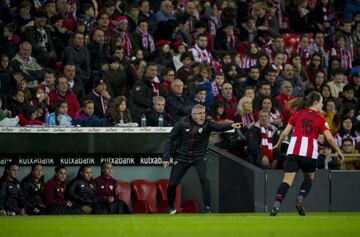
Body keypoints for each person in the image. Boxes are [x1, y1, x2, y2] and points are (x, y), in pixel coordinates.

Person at [269, 91, 344, 216]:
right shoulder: (321, 118)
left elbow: (284, 133)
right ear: (315, 102)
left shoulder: (297, 114)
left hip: (293, 151)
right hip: (309, 153)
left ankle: (276, 206)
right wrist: (338, 151)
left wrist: (277, 144)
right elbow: (330, 139)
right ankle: (300, 200)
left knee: (286, 181)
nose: (322, 105)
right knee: (309, 178)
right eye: (321, 103)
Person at [162, 104, 241, 214]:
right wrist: (166, 157)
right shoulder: (182, 123)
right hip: (182, 157)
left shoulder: (208, 122)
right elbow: (170, 139)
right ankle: (171, 208)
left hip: (199, 157)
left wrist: (231, 125)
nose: (203, 116)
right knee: (172, 185)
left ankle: (207, 208)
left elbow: (219, 127)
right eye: (200, 113)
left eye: (204, 113)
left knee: (204, 179)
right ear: (193, 114)